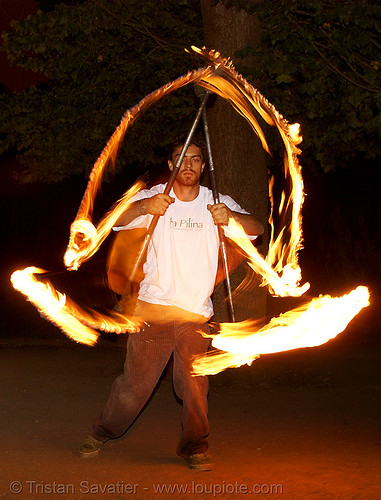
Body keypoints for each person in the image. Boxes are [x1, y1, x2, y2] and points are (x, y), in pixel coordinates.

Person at [79, 135, 264, 470]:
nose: (188, 165)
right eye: (181, 158)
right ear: (171, 164)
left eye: (195, 158)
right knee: (135, 386)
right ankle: (103, 431)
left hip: (196, 314)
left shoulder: (217, 201)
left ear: (203, 166)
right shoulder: (155, 197)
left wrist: (231, 219)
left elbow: (258, 226)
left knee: (194, 386)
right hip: (154, 311)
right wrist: (142, 208)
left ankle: (194, 446)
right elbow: (113, 220)